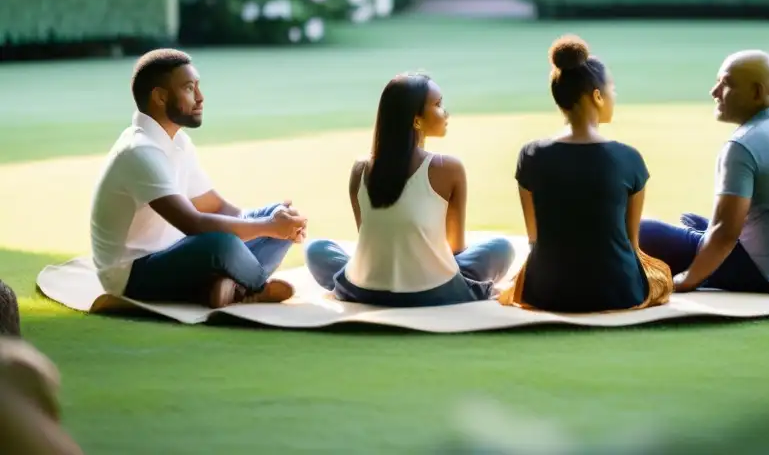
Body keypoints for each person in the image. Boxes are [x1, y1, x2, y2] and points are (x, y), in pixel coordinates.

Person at [90, 49, 307, 309]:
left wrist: (277, 223)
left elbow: (216, 207)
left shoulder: (178, 142)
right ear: (160, 97)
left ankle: (225, 287)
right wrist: (268, 228)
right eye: (190, 88)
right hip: (132, 274)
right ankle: (253, 288)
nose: (201, 98)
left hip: (178, 252)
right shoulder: (140, 151)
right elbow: (194, 224)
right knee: (220, 243)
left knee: (279, 212)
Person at [638, 50, 769, 296]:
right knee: (693, 223)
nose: (714, 92)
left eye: (725, 84)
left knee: (642, 231)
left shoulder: (743, 144)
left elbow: (725, 234)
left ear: (757, 92)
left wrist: (687, 279)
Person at [304, 73, 515, 307]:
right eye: (438, 105)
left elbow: (370, 240)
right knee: (501, 248)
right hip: (434, 291)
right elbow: (453, 248)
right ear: (416, 120)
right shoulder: (449, 168)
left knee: (316, 249)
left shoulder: (360, 169)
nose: (446, 112)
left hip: (365, 290)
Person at [498, 35, 672, 313]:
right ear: (598, 96)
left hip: (546, 291)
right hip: (618, 292)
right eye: (612, 89)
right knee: (660, 273)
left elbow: (534, 237)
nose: (615, 96)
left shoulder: (530, 155)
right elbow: (631, 244)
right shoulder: (629, 158)